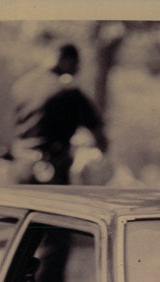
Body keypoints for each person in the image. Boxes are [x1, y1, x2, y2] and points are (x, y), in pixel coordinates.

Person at [6, 43, 108, 185]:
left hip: (19, 166)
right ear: (66, 61)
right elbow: (97, 131)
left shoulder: (22, 84)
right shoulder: (68, 89)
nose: (76, 70)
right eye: (75, 65)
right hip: (51, 171)